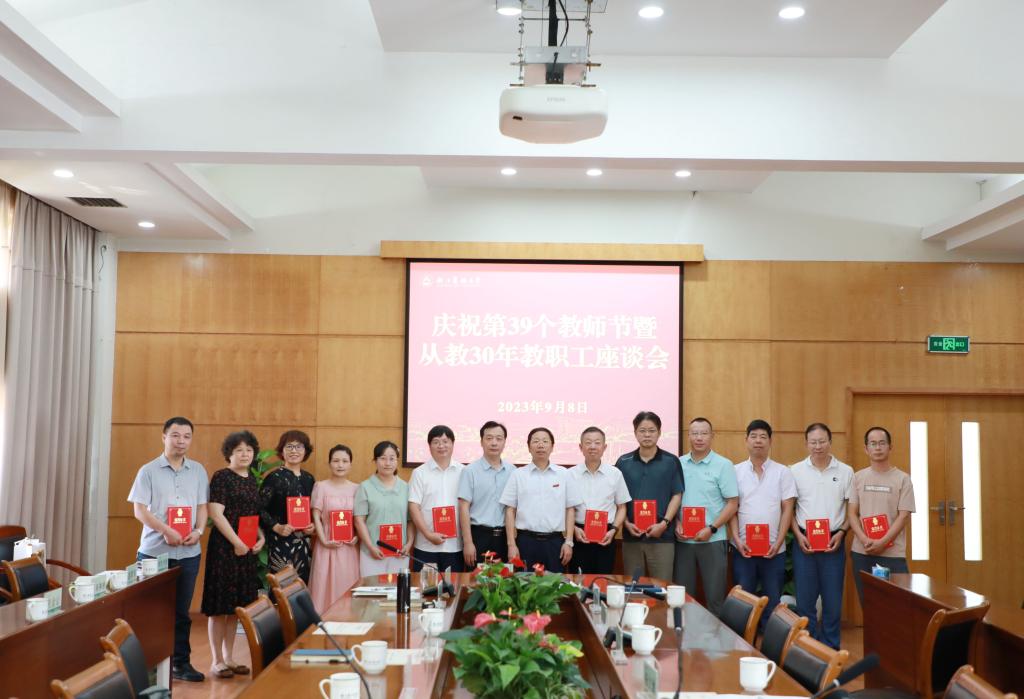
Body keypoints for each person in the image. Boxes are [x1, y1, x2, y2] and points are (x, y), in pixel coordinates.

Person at [127, 417, 209, 682]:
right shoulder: (148, 471)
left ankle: (181, 664)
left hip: (188, 553)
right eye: (175, 435)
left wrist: (198, 531)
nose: (181, 441)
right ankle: (146, 668)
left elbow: (202, 508)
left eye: (186, 436)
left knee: (181, 613)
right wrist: (166, 530)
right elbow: (139, 510)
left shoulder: (198, 471)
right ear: (164, 437)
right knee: (150, 612)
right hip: (154, 553)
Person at [201, 430, 265, 679]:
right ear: (229, 453)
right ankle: (216, 660)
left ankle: (229, 658)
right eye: (239, 450)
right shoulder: (222, 477)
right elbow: (216, 514)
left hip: (246, 549)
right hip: (225, 549)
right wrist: (237, 542)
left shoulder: (251, 479)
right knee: (220, 608)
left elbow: (252, 514)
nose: (245, 454)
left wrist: (261, 537)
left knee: (235, 607)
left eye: (249, 450)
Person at [789, 422, 853, 649]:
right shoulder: (794, 471)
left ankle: (831, 649)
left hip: (834, 541)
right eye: (813, 442)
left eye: (822, 441)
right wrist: (798, 536)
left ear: (830, 442)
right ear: (806, 444)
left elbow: (852, 511)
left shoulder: (845, 471)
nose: (818, 446)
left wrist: (842, 533)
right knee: (805, 601)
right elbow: (788, 509)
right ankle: (808, 649)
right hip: (804, 541)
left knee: (832, 602)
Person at [729, 419, 796, 631]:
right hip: (743, 549)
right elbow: (732, 508)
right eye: (754, 436)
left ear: (770, 441)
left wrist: (779, 542)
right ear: (746, 440)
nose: (758, 441)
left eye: (763, 437)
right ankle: (742, 643)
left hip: (773, 549)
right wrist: (737, 539)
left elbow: (787, 508)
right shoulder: (735, 471)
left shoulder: (782, 472)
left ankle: (770, 645)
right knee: (743, 600)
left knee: (772, 600)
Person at [674, 417, 738, 616]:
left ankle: (714, 637)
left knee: (715, 598)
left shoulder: (724, 465)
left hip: (713, 539)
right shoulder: (678, 463)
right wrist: (676, 522)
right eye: (694, 433)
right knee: (683, 599)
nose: (699, 438)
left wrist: (712, 528)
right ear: (688, 436)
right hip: (684, 541)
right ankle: (685, 636)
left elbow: (732, 503)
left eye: (704, 433)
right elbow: (673, 498)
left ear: (712, 436)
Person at [848, 426, 916, 604]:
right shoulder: (858, 477)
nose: (877, 448)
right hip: (863, 551)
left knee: (896, 605)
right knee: (868, 604)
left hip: (892, 553)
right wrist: (864, 539)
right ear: (866, 448)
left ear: (890, 447)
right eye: (873, 444)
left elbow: (904, 516)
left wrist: (883, 542)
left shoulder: (903, 479)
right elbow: (852, 513)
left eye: (882, 443)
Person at [501, 427, 581, 572]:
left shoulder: (564, 474)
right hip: (525, 542)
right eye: (536, 441)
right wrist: (511, 545)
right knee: (525, 584)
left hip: (555, 542)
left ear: (552, 447)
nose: (540, 445)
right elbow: (509, 511)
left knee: (555, 584)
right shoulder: (518, 475)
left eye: (545, 441)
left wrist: (569, 542)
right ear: (528, 447)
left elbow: (570, 509)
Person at [615, 411, 683, 581]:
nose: (647, 435)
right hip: (632, 537)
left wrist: (664, 523)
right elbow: (616, 499)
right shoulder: (623, 462)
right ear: (635, 433)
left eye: (651, 430)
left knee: (662, 588)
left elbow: (677, 495)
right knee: (633, 588)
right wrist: (626, 523)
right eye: (642, 430)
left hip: (662, 537)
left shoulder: (671, 461)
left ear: (659, 433)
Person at [569, 426, 630, 574]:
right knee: (578, 581)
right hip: (578, 533)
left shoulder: (615, 474)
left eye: (597, 443)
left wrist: (614, 530)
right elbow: (565, 508)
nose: (592, 447)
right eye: (588, 442)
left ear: (604, 447)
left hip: (606, 535)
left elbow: (622, 507)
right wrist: (574, 529)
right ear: (580, 447)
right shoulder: (570, 474)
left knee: (602, 580)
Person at [259, 430, 317, 584]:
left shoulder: (309, 479)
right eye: (289, 446)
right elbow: (259, 509)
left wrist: (312, 526)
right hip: (280, 542)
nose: (294, 451)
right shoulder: (274, 478)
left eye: (299, 447)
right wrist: (276, 526)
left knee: (302, 587)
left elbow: (312, 510)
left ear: (306, 451)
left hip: (304, 544)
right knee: (282, 587)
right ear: (282, 451)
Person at [310, 444, 361, 613]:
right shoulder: (321, 486)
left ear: (350, 464)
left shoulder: (357, 488)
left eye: (345, 461)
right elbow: (316, 516)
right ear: (329, 463)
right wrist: (323, 540)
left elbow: (359, 519)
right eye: (336, 461)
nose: (340, 465)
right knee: (323, 585)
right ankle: (322, 622)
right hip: (326, 544)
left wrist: (357, 536)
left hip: (348, 547)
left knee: (346, 584)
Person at [408, 425, 465, 572]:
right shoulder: (419, 473)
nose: (441, 446)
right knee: (424, 585)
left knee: (453, 585)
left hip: (455, 546)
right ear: (429, 445)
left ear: (453, 444)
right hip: (426, 545)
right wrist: (428, 534)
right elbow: (414, 507)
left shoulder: (463, 471)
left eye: (445, 441)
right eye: (436, 442)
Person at [458, 421, 514, 568]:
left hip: (504, 538)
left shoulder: (512, 471)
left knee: (504, 580)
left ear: (504, 442)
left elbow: (511, 509)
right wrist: (468, 542)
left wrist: (512, 544)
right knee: (477, 580)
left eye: (499, 438)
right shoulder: (470, 471)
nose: (494, 443)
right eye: (489, 438)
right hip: (479, 536)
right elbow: (463, 507)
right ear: (481, 442)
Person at [354, 441, 414, 575]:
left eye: (392, 458)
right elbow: (359, 521)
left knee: (398, 587)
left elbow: (410, 520)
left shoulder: (406, 487)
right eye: (383, 458)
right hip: (372, 553)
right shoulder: (365, 487)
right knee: (371, 587)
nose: (387, 463)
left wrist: (409, 544)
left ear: (397, 461)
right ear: (375, 461)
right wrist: (371, 547)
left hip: (400, 553)